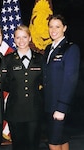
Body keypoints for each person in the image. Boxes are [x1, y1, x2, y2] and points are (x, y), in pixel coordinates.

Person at [43, 14, 80, 150]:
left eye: (57, 26)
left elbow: (70, 80)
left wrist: (61, 108)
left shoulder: (71, 49)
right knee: (62, 140)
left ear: (64, 28)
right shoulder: (48, 49)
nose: (53, 30)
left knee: (53, 143)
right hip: (49, 105)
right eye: (51, 26)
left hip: (59, 107)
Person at [3, 25, 44, 150]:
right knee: (18, 146)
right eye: (18, 37)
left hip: (34, 110)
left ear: (30, 38)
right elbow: (4, 84)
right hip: (15, 111)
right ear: (14, 39)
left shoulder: (40, 58)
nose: (21, 41)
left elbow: (44, 82)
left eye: (24, 37)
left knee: (33, 145)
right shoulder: (7, 60)